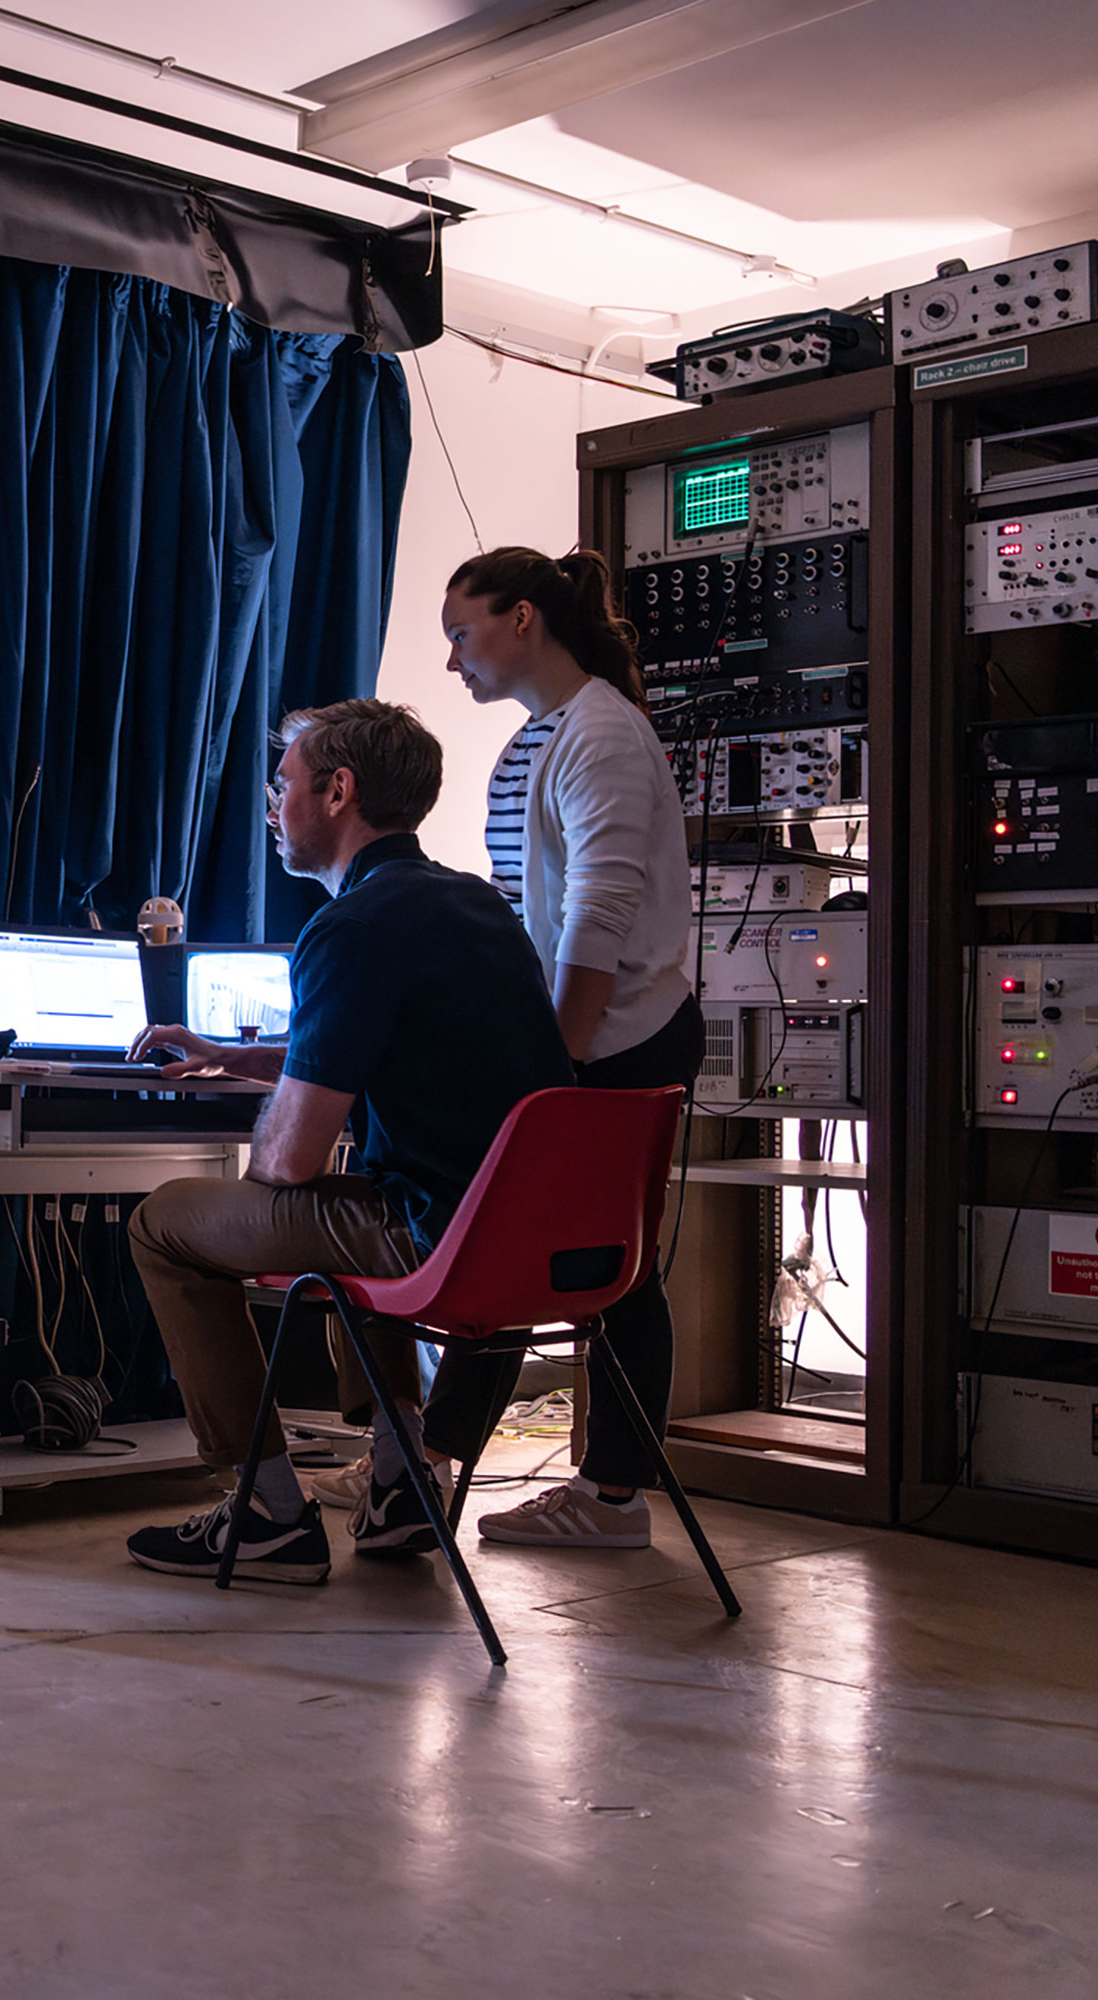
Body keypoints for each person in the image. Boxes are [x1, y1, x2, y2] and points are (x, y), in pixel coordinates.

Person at [121, 700, 571, 1583]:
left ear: (338, 790)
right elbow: (398, 1045)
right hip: (521, 1239)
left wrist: (281, 1108)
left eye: (283, 783)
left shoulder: (351, 926)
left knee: (166, 1223)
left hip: (431, 1237)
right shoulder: (476, 904)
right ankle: (405, 1482)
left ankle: (266, 1512)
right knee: (359, 1191)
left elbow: (284, 1165)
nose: (271, 802)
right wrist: (231, 1056)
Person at [417, 545, 701, 1549]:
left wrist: (555, 1065)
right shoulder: (541, 738)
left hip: (617, 1037)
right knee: (534, 1253)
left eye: (463, 631)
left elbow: (597, 917)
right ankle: (426, 1462)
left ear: (524, 617)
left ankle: (610, 1495)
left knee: (605, 1268)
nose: (455, 658)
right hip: (571, 1033)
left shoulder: (603, 738)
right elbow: (525, 913)